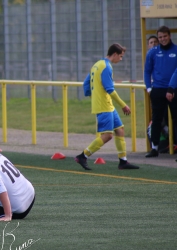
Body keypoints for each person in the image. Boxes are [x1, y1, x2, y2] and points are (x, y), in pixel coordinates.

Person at [75, 43, 139, 170]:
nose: (120, 59)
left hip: (106, 104)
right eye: (120, 56)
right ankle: (83, 156)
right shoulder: (106, 67)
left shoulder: (97, 64)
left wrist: (93, 97)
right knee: (108, 135)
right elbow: (110, 89)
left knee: (120, 129)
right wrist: (123, 105)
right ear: (114, 54)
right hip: (104, 105)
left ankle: (123, 161)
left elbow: (86, 84)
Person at [144, 26, 177, 158]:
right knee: (156, 119)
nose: (162, 39)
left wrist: (171, 88)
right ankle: (155, 148)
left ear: (169, 36)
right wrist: (149, 88)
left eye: (165, 36)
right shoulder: (152, 52)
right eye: (160, 37)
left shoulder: (176, 50)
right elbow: (147, 71)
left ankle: (175, 146)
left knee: (176, 119)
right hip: (157, 89)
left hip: (173, 89)